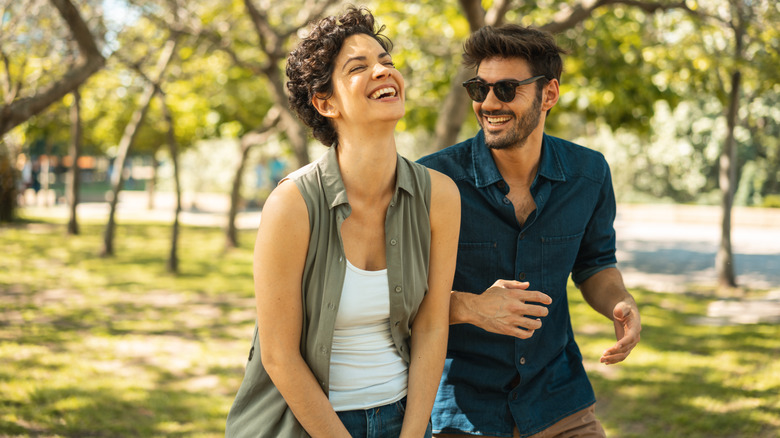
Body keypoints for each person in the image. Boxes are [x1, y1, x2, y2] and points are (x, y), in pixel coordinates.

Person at [225, 6, 460, 438]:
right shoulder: (291, 205)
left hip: (402, 418)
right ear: (325, 102)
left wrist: (412, 434)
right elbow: (278, 355)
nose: (382, 72)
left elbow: (431, 325)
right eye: (359, 67)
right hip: (304, 424)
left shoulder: (440, 196)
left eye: (386, 62)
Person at [418, 24, 642, 437]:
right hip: (463, 413)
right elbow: (396, 297)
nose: (488, 103)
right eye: (478, 89)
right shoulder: (432, 180)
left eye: (506, 89)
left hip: (560, 403)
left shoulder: (589, 174)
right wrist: (469, 307)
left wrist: (619, 301)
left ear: (549, 94)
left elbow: (594, 264)